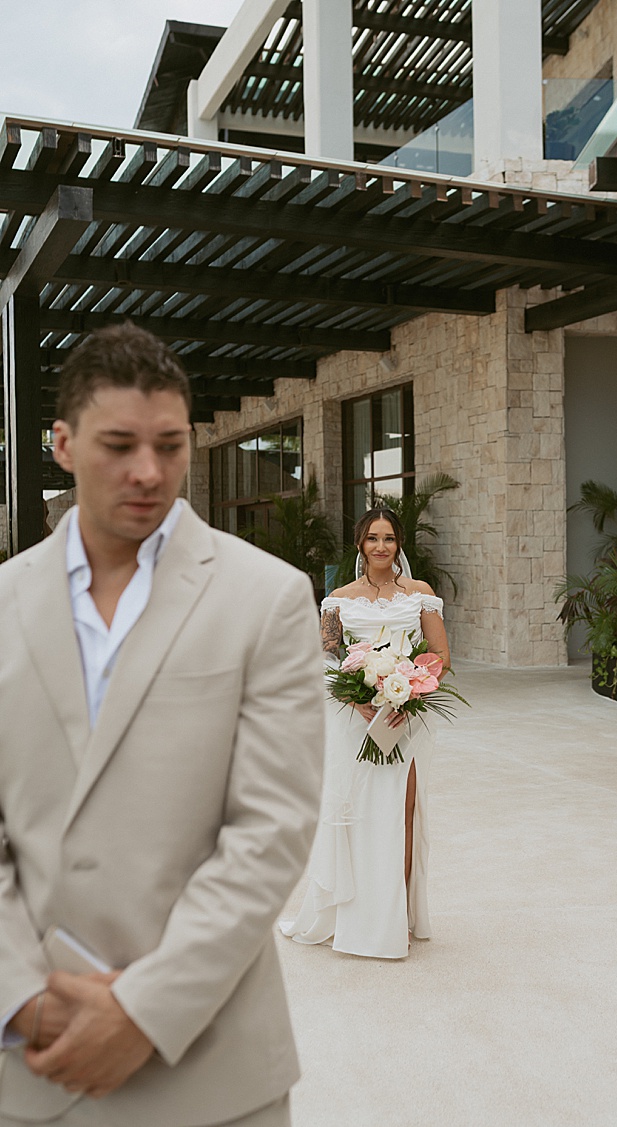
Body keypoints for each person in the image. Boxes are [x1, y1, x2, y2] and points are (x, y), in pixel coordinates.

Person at [0, 322, 324, 1126]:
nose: (149, 472)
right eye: (118, 444)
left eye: (171, 446)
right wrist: (23, 1001)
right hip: (32, 1065)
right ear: (63, 443)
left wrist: (143, 1011)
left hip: (211, 1072)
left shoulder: (268, 597)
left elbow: (271, 828)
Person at [280, 507, 450, 959]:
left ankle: (401, 918)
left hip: (406, 719)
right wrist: (359, 698)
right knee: (358, 812)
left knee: (403, 812)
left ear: (399, 544)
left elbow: (440, 656)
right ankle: (354, 916)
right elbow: (325, 657)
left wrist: (409, 690)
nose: (381, 546)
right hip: (353, 720)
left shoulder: (420, 595)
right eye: (372, 538)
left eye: (389, 538)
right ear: (359, 543)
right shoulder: (337, 600)